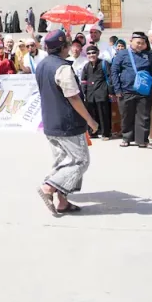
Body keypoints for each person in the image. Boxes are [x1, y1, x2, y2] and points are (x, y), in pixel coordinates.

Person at [35, 30, 98, 217]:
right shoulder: (62, 68)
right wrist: (90, 119)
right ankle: (48, 187)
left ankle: (62, 201)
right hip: (67, 123)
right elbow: (73, 98)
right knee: (80, 161)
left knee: (63, 161)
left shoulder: (42, 65)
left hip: (50, 121)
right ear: (64, 47)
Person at [111, 32, 152, 148]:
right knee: (127, 115)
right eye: (138, 43)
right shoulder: (122, 54)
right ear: (131, 41)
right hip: (126, 90)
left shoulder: (148, 55)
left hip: (144, 91)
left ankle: (142, 140)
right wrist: (117, 89)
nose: (140, 45)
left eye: (142, 43)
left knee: (144, 116)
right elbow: (114, 72)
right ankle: (126, 138)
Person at [79, 45, 112, 140]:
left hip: (102, 93)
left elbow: (109, 78)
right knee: (91, 114)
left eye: (93, 52)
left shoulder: (104, 64)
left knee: (103, 114)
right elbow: (84, 80)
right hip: (90, 94)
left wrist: (110, 91)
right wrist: (84, 92)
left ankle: (106, 133)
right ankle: (93, 132)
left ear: (97, 53)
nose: (91, 55)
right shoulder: (86, 66)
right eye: (89, 53)